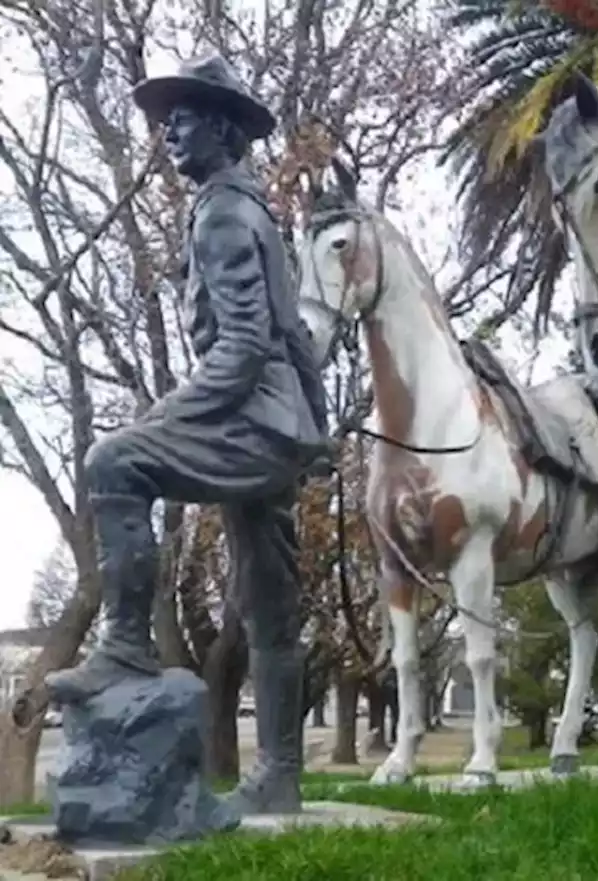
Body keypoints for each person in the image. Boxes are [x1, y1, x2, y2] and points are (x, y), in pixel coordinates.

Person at [44, 53, 330, 815]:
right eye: (167, 118)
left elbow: (240, 348)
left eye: (187, 116)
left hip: (255, 419)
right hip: (279, 423)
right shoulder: (245, 206)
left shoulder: (229, 211)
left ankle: (126, 645)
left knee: (116, 461)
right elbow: (293, 329)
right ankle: (281, 776)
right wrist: (319, 424)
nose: (169, 130)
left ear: (226, 129)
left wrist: (162, 419)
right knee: (270, 602)